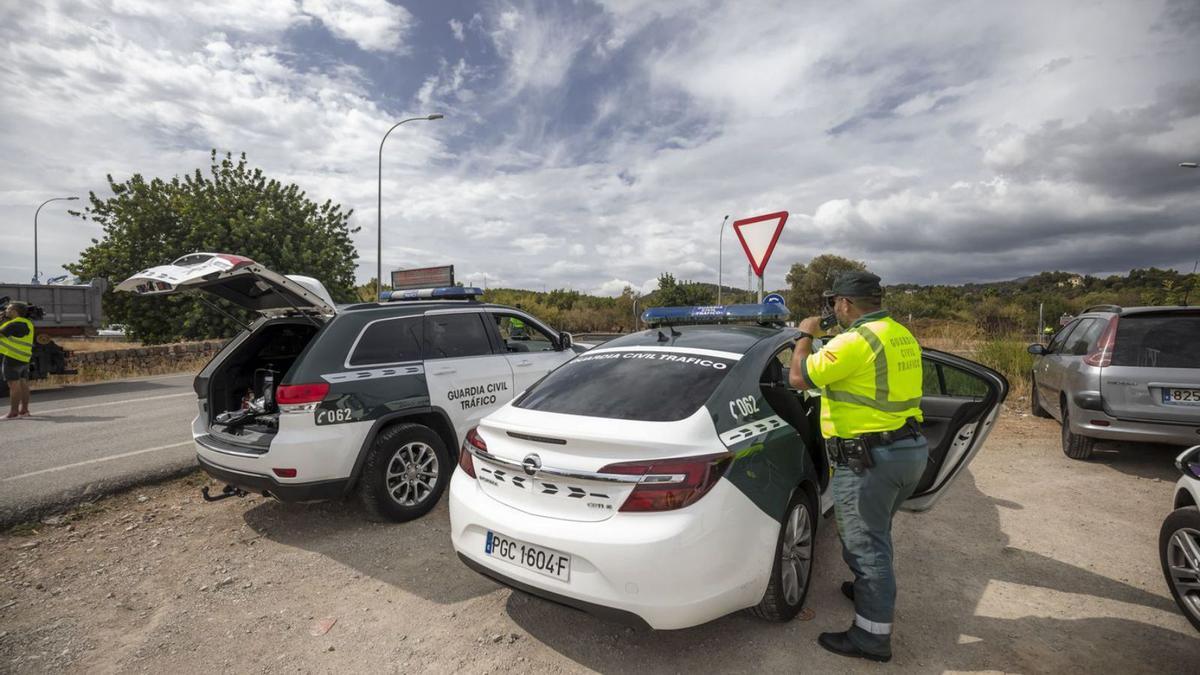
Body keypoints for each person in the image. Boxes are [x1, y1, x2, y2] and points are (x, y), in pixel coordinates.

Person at [787, 271, 926, 663]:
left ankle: (871, 639)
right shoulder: (899, 333)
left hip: (870, 460)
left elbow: (798, 376)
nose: (834, 309)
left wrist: (804, 335)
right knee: (875, 536)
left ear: (845, 304)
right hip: (906, 451)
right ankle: (868, 589)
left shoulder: (855, 341)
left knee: (868, 548)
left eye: (835, 303)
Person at [0, 301, 35, 418]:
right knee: (23, 384)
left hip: (12, 358)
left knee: (13, 385)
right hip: (24, 358)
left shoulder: (13, 324)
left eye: (8, 309)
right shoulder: (27, 323)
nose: (6, 311)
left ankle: (13, 412)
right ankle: (24, 410)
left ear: (14, 312)